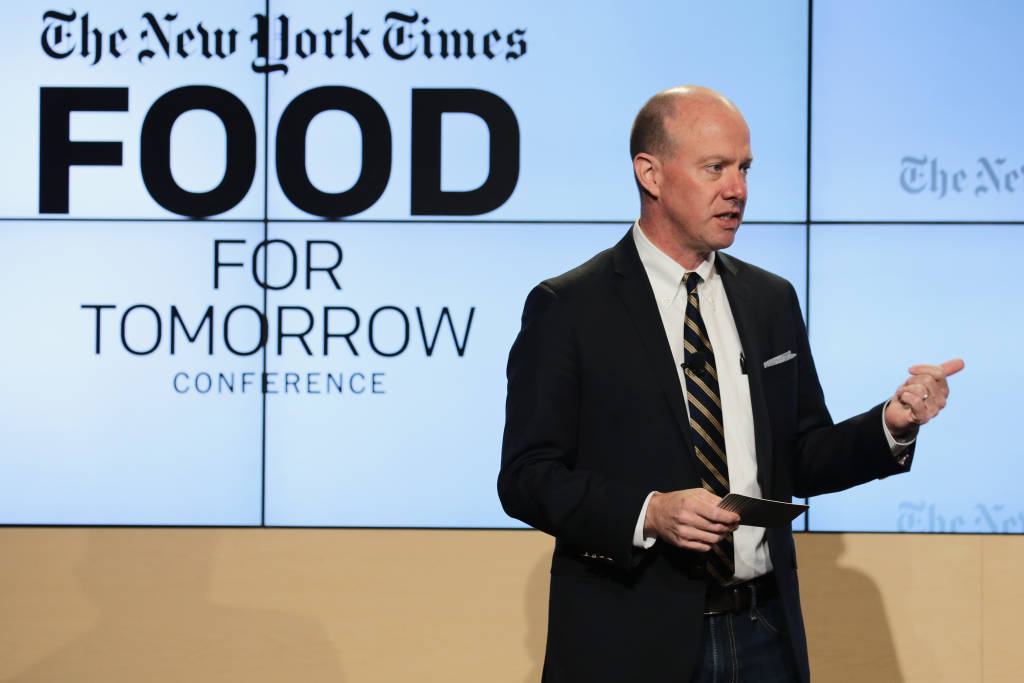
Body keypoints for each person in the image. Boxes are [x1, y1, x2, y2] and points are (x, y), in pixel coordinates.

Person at [497, 85, 963, 683]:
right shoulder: (569, 307)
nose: (737, 188)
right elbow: (528, 476)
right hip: (630, 642)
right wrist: (649, 512)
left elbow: (801, 455)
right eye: (715, 167)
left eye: (744, 168)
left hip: (763, 631)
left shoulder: (771, 299)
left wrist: (890, 426)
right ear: (651, 174)